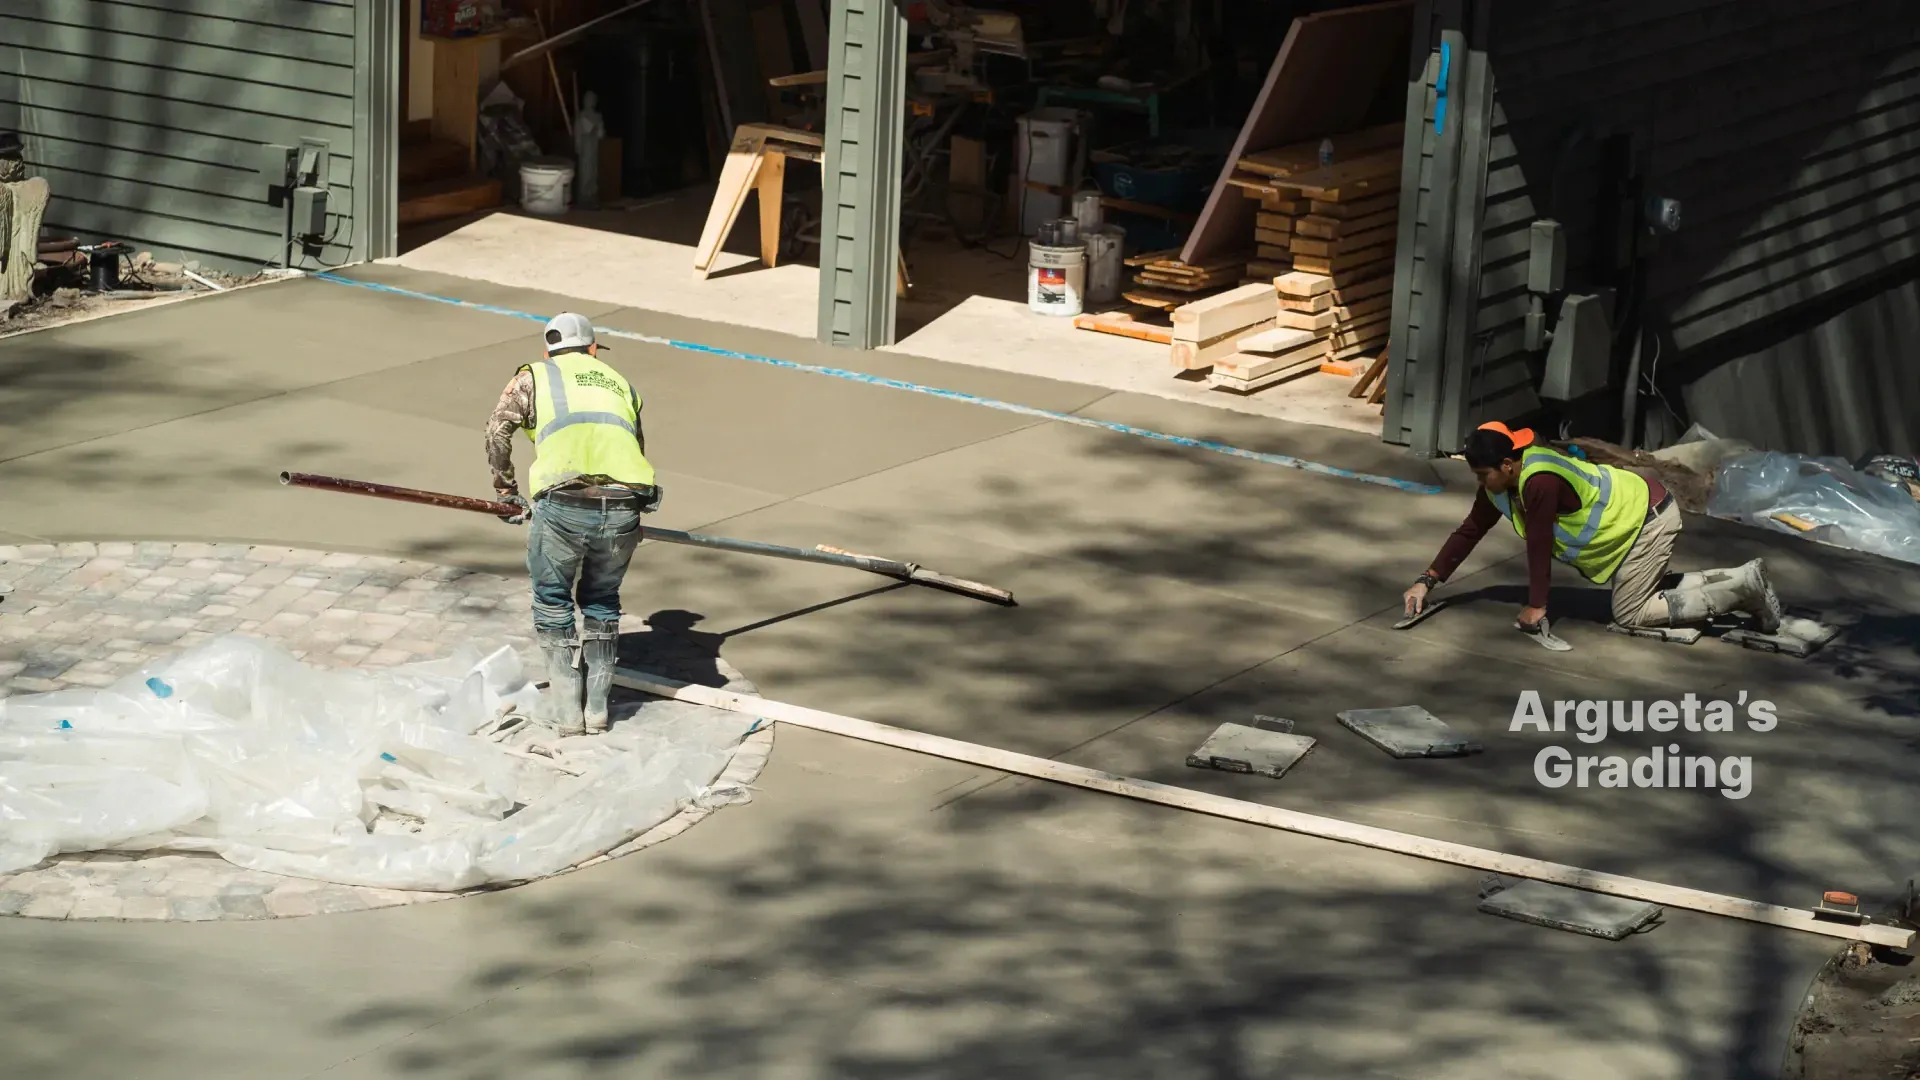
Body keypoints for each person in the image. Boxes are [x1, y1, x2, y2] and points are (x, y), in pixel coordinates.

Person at [1403, 422, 1783, 636]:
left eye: (1483, 474)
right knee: (1642, 589)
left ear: (1506, 464)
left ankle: (1740, 591)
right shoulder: (1501, 486)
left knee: (1630, 612)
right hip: (1635, 521)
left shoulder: (1539, 481)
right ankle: (1740, 576)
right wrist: (1428, 580)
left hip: (1647, 520)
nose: (1480, 482)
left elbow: (1539, 543)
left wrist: (1537, 606)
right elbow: (1469, 531)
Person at [485, 312, 661, 736]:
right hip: (624, 504)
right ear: (594, 349)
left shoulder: (534, 376)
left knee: (553, 601)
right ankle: (598, 711)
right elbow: (634, 445)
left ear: (548, 350)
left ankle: (567, 713)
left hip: (563, 502)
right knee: (603, 600)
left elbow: (497, 431)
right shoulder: (621, 382)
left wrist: (506, 492)